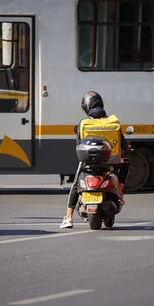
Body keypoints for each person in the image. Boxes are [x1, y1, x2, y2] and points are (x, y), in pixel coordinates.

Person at [59, 91, 131, 229]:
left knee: (75, 185)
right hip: (111, 162)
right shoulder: (113, 122)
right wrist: (127, 148)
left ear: (87, 106)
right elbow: (124, 144)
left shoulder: (83, 123)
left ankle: (68, 218)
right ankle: (119, 193)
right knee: (125, 163)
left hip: (88, 163)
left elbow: (79, 143)